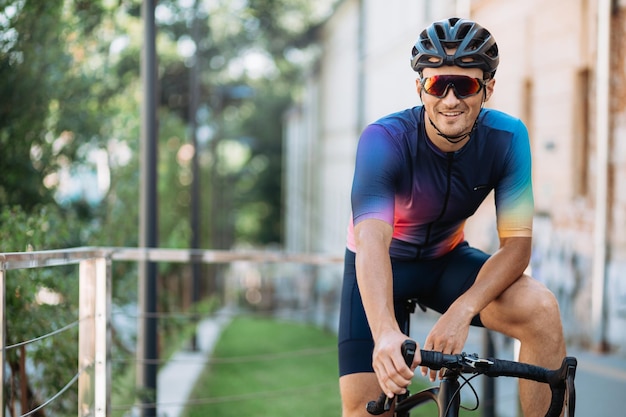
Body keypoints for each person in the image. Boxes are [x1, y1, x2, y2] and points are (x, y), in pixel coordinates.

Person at [338, 17, 567, 417]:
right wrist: (386, 333)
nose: (449, 99)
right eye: (436, 84)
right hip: (380, 266)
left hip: (446, 262)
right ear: (419, 88)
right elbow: (372, 240)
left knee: (541, 308)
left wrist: (461, 311)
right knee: (365, 410)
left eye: (464, 85)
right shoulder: (385, 140)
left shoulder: (508, 139)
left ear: (488, 88)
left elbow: (517, 247)